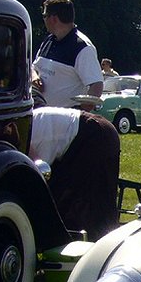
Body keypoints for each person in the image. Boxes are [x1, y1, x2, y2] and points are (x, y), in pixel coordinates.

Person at [27, 92, 119, 240]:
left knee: (87, 206)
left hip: (94, 133)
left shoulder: (26, 136)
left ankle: (96, 246)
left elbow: (39, 173)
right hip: (88, 132)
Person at [31, 0, 103, 111]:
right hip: (41, 118)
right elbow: (33, 67)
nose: (43, 19)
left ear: (53, 18)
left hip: (64, 122)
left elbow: (97, 84)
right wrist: (34, 77)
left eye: (45, 16)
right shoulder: (48, 40)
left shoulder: (83, 47)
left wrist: (83, 112)